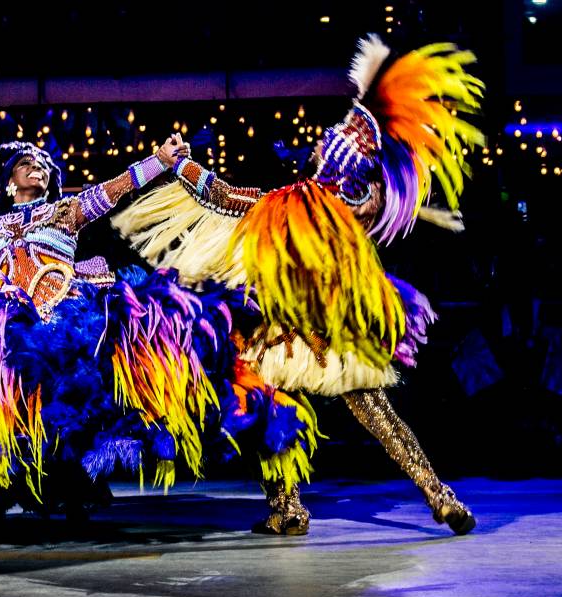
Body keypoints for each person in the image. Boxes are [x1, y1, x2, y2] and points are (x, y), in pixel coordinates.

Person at [0, 136, 319, 546]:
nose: (39, 167)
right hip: (11, 329)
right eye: (28, 163)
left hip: (80, 318)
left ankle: (284, 497)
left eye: (43, 163)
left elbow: (118, 187)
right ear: (7, 182)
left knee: (189, 371)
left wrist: (161, 160)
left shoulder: (66, 211)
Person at [112, 35, 484, 536]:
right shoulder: (343, 205)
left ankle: (288, 508)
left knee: (269, 408)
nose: (312, 142)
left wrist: (179, 163)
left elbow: (224, 198)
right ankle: (439, 495)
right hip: (331, 320)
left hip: (287, 331)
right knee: (372, 408)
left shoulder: (291, 202)